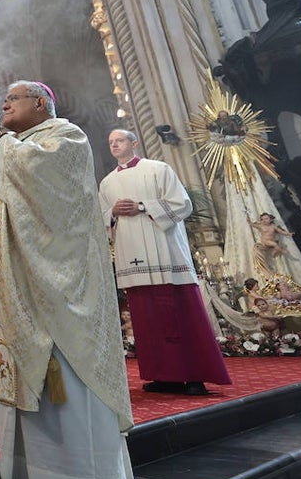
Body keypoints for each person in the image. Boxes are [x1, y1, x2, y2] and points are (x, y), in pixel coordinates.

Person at [0, 59, 133, 479]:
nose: (4, 103)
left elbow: (42, 182)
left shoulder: (65, 138)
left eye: (14, 98)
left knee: (65, 389)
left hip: (57, 298)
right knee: (27, 385)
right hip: (16, 291)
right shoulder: (11, 143)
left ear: (40, 104)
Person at [99, 129, 231, 396]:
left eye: (120, 140)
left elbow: (182, 204)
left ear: (134, 143)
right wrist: (111, 212)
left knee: (183, 315)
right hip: (132, 260)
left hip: (167, 255)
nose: (114, 144)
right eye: (111, 141)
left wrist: (143, 206)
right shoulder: (106, 183)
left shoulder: (158, 169)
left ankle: (196, 377)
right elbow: (100, 219)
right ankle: (164, 376)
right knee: (147, 322)